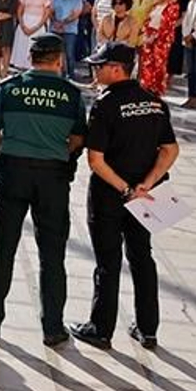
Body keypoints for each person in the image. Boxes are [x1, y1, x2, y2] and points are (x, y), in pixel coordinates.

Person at [0, 33, 88, 347]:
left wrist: (7, 152)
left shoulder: (8, 88)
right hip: (53, 177)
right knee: (52, 254)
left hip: (13, 171)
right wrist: (58, 153)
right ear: (59, 60)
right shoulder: (71, 95)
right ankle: (53, 327)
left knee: (3, 248)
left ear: (31, 58)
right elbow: (78, 140)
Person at [68, 42, 179, 352]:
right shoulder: (155, 102)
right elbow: (170, 149)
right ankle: (148, 328)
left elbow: (96, 161)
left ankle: (101, 329)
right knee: (142, 257)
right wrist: (146, 184)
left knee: (108, 261)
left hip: (110, 195)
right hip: (147, 196)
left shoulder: (105, 105)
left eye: (99, 66)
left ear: (116, 68)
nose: (94, 70)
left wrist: (126, 189)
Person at [138, 0, 181, 96]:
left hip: (162, 38)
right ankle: (147, 85)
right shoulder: (154, 6)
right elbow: (147, 20)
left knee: (159, 64)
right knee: (147, 62)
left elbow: (168, 24)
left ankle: (157, 88)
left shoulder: (172, 6)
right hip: (149, 35)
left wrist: (155, 36)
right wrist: (146, 34)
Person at [10, 0, 53, 71]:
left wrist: (36, 27)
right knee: (22, 46)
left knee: (34, 46)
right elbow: (20, 11)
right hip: (25, 21)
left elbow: (46, 14)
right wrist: (22, 25)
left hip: (38, 23)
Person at [48, 0, 85, 80]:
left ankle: (70, 76)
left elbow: (75, 14)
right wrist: (55, 22)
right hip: (55, 29)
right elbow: (50, 11)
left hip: (70, 30)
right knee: (55, 54)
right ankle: (56, 75)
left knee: (69, 54)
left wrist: (62, 23)